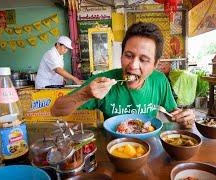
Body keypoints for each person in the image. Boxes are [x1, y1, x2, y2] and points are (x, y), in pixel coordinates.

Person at [51, 22, 195, 128]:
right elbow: (56, 110)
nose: (133, 65)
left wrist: (184, 116)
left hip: (148, 146)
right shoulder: (103, 81)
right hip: (113, 147)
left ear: (155, 64)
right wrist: (85, 94)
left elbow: (173, 111)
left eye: (144, 60)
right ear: (121, 55)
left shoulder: (159, 81)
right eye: (128, 55)